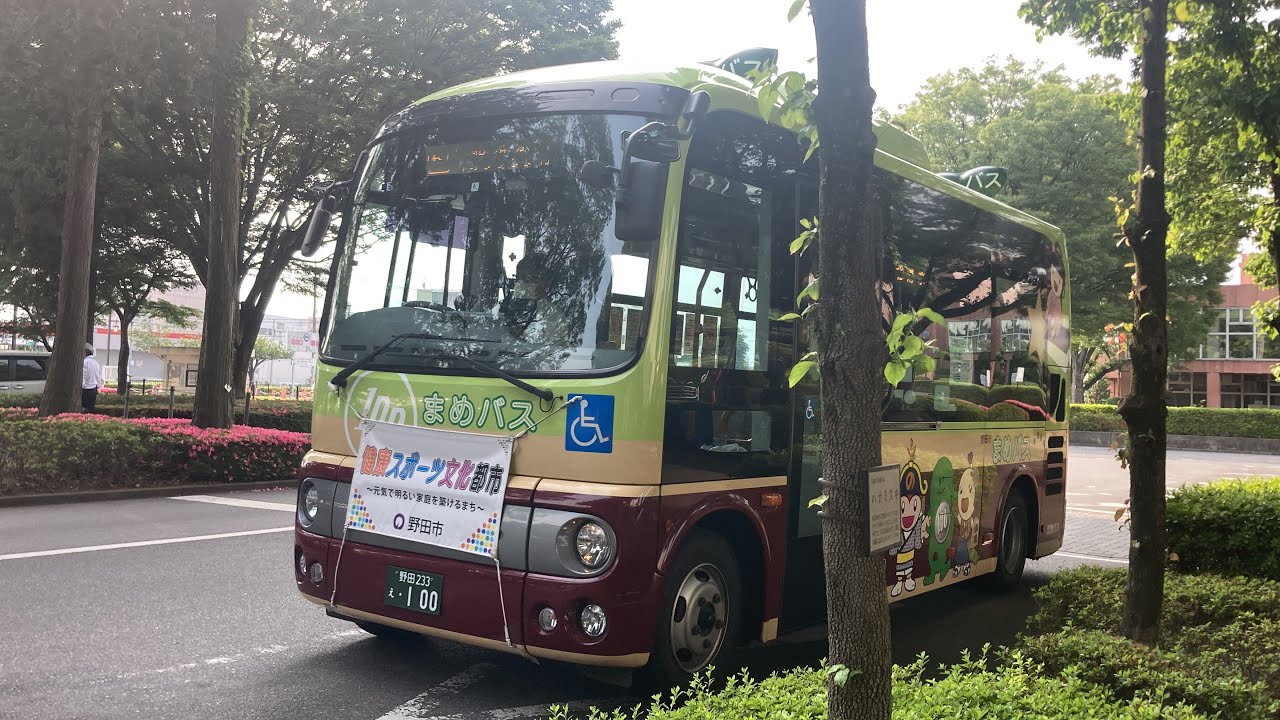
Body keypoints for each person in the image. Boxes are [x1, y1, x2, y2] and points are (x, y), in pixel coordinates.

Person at [82, 343, 103, 413]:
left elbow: (83, 376)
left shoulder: (85, 362)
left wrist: (82, 386)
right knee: (91, 409)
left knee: (84, 409)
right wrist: (98, 386)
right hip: (94, 389)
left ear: (85, 352)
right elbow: (99, 377)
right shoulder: (96, 363)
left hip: (86, 390)